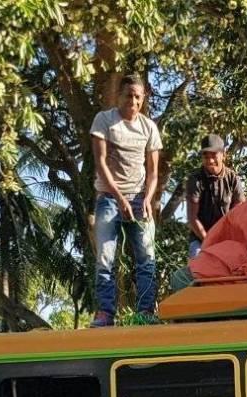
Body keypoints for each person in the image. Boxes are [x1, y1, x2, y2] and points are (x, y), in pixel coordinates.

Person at [90, 74, 162, 326]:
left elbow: (153, 172)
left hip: (139, 199)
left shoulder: (149, 127)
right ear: (118, 96)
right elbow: (100, 163)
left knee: (146, 259)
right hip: (109, 198)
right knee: (105, 258)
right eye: (128, 95)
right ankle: (105, 313)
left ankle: (146, 312)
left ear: (143, 99)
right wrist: (119, 198)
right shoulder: (104, 120)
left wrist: (148, 199)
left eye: (137, 97)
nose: (133, 101)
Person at [186, 134, 246, 258]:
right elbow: (192, 218)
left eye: (214, 155)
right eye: (206, 157)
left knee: (241, 259)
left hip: (227, 238)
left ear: (223, 155)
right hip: (201, 239)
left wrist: (227, 241)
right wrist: (208, 241)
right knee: (199, 260)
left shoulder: (232, 178)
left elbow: (239, 213)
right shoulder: (195, 179)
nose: (210, 161)